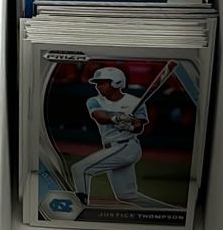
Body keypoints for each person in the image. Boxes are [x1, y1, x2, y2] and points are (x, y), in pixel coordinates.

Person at [69, 66, 172, 209]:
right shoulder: (94, 100)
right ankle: (170, 211)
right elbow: (100, 117)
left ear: (116, 82)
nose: (98, 87)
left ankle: (81, 208)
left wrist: (130, 127)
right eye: (97, 83)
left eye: (102, 83)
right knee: (126, 195)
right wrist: (118, 118)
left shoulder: (135, 102)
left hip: (126, 146)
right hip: (113, 148)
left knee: (79, 169)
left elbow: (139, 127)